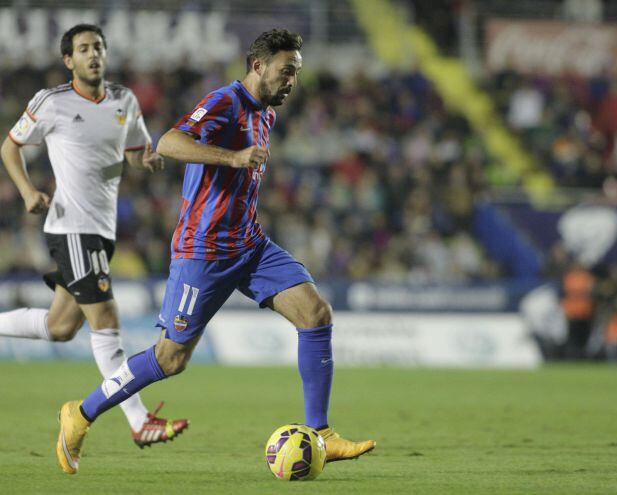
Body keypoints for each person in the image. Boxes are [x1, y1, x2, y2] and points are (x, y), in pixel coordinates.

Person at [55, 28, 376, 475]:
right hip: (202, 251)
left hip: (249, 244)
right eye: (286, 72)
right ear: (259, 66)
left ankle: (321, 433)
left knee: (316, 314)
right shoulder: (225, 102)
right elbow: (168, 141)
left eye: (296, 74)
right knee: (170, 359)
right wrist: (233, 157)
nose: (292, 82)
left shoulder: (267, 113)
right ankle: (81, 413)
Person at [0, 24, 188, 447]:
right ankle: (139, 421)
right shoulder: (51, 102)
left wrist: (146, 161)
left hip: (101, 229)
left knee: (60, 326)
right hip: (71, 225)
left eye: (98, 47)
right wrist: (27, 191)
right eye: (83, 49)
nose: (93, 54)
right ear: (68, 60)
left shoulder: (123, 101)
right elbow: (9, 147)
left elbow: (132, 155)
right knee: (107, 320)